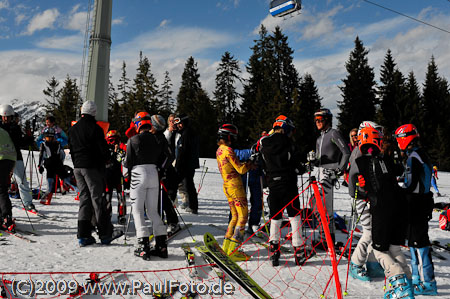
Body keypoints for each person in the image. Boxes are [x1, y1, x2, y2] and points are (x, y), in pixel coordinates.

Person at [349, 127, 413, 299]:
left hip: (382, 207)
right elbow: (397, 172)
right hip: (399, 206)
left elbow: (362, 187)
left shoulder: (362, 161)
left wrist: (362, 187)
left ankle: (399, 283)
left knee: (379, 249)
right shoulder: (385, 158)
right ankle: (408, 283)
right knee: (394, 247)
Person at [394, 124, 437, 296]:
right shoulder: (421, 153)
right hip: (423, 201)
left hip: (416, 204)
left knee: (419, 245)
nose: (398, 144)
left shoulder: (413, 157)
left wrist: (397, 191)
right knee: (414, 243)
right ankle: (418, 280)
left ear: (405, 138)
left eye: (398, 140)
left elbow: (410, 185)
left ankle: (428, 283)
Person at [259, 115, 306, 266]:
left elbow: (260, 161)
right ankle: (298, 250)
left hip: (273, 184)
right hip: (288, 184)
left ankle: (274, 250)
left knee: (275, 217)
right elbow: (298, 166)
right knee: (294, 216)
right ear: (285, 128)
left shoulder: (264, 142)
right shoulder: (289, 142)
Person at [68, 101, 117, 247]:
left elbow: (70, 148)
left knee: (84, 199)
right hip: (92, 167)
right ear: (94, 113)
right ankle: (105, 234)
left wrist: (77, 162)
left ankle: (83, 235)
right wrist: (107, 160)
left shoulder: (73, 129)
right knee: (97, 199)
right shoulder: (95, 129)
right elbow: (102, 149)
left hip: (78, 166)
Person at [124, 112, 168, 260]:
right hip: (154, 174)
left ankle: (143, 246)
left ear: (137, 124)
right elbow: (166, 157)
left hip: (138, 173)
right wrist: (160, 170)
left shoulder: (133, 139)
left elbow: (127, 162)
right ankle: (161, 246)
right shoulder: (157, 139)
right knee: (153, 211)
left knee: (137, 210)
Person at [347, 121, 386, 281]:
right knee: (368, 232)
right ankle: (356, 264)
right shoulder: (359, 153)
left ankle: (372, 264)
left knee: (374, 231)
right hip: (360, 198)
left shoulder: (370, 151)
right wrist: (362, 191)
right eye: (376, 133)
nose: (379, 137)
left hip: (369, 197)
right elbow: (353, 179)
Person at [309, 108, 350, 245]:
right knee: (316, 204)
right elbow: (320, 159)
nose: (317, 122)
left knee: (324, 207)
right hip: (320, 172)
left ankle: (327, 240)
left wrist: (340, 169)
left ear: (327, 120)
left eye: (320, 120)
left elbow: (346, 152)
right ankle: (324, 237)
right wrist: (313, 161)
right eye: (316, 120)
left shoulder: (334, 133)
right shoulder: (319, 138)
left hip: (330, 172)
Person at [216, 124, 252, 261]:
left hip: (226, 186)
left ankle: (227, 245)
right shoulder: (229, 151)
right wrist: (249, 164)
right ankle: (235, 250)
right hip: (235, 185)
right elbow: (240, 169)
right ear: (229, 137)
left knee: (235, 216)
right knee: (243, 216)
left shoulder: (219, 150)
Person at [0, 104, 36, 212]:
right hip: (2, 158)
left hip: (15, 157)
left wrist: (29, 138)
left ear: (12, 117)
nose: (6, 119)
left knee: (22, 180)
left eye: (8, 117)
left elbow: (20, 143)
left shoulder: (15, 128)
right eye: (4, 117)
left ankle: (28, 203)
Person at [150, 114, 180, 236]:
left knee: (164, 199)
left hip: (166, 174)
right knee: (157, 199)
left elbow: (170, 156)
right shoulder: (151, 137)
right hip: (156, 173)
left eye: (150, 125)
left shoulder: (160, 138)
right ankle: (160, 221)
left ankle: (173, 222)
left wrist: (161, 168)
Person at [38, 127, 78, 205]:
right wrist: (40, 165)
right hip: (53, 164)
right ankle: (47, 199)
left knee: (62, 180)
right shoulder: (54, 144)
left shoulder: (48, 144)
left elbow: (42, 155)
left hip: (53, 164)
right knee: (56, 181)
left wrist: (40, 165)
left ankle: (47, 199)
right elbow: (42, 155)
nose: (48, 139)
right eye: (47, 137)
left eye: (50, 137)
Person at [173, 115, 200, 214]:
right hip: (187, 164)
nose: (178, 126)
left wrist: (178, 165)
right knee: (188, 185)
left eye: (180, 123)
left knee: (179, 185)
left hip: (185, 164)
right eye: (177, 124)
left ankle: (192, 206)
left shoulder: (187, 133)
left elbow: (183, 151)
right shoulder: (186, 132)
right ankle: (193, 206)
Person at [104, 130, 127, 225]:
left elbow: (123, 159)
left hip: (118, 176)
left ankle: (121, 215)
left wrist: (118, 152)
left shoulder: (121, 149)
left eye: (115, 140)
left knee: (121, 197)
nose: (114, 142)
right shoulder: (105, 149)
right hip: (107, 176)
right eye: (111, 140)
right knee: (107, 197)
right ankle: (107, 215)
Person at [0, 127, 17, 232]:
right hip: (9, 160)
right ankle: (5, 215)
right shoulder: (4, 131)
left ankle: (6, 217)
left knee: (1, 190)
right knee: (2, 189)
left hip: (1, 160)